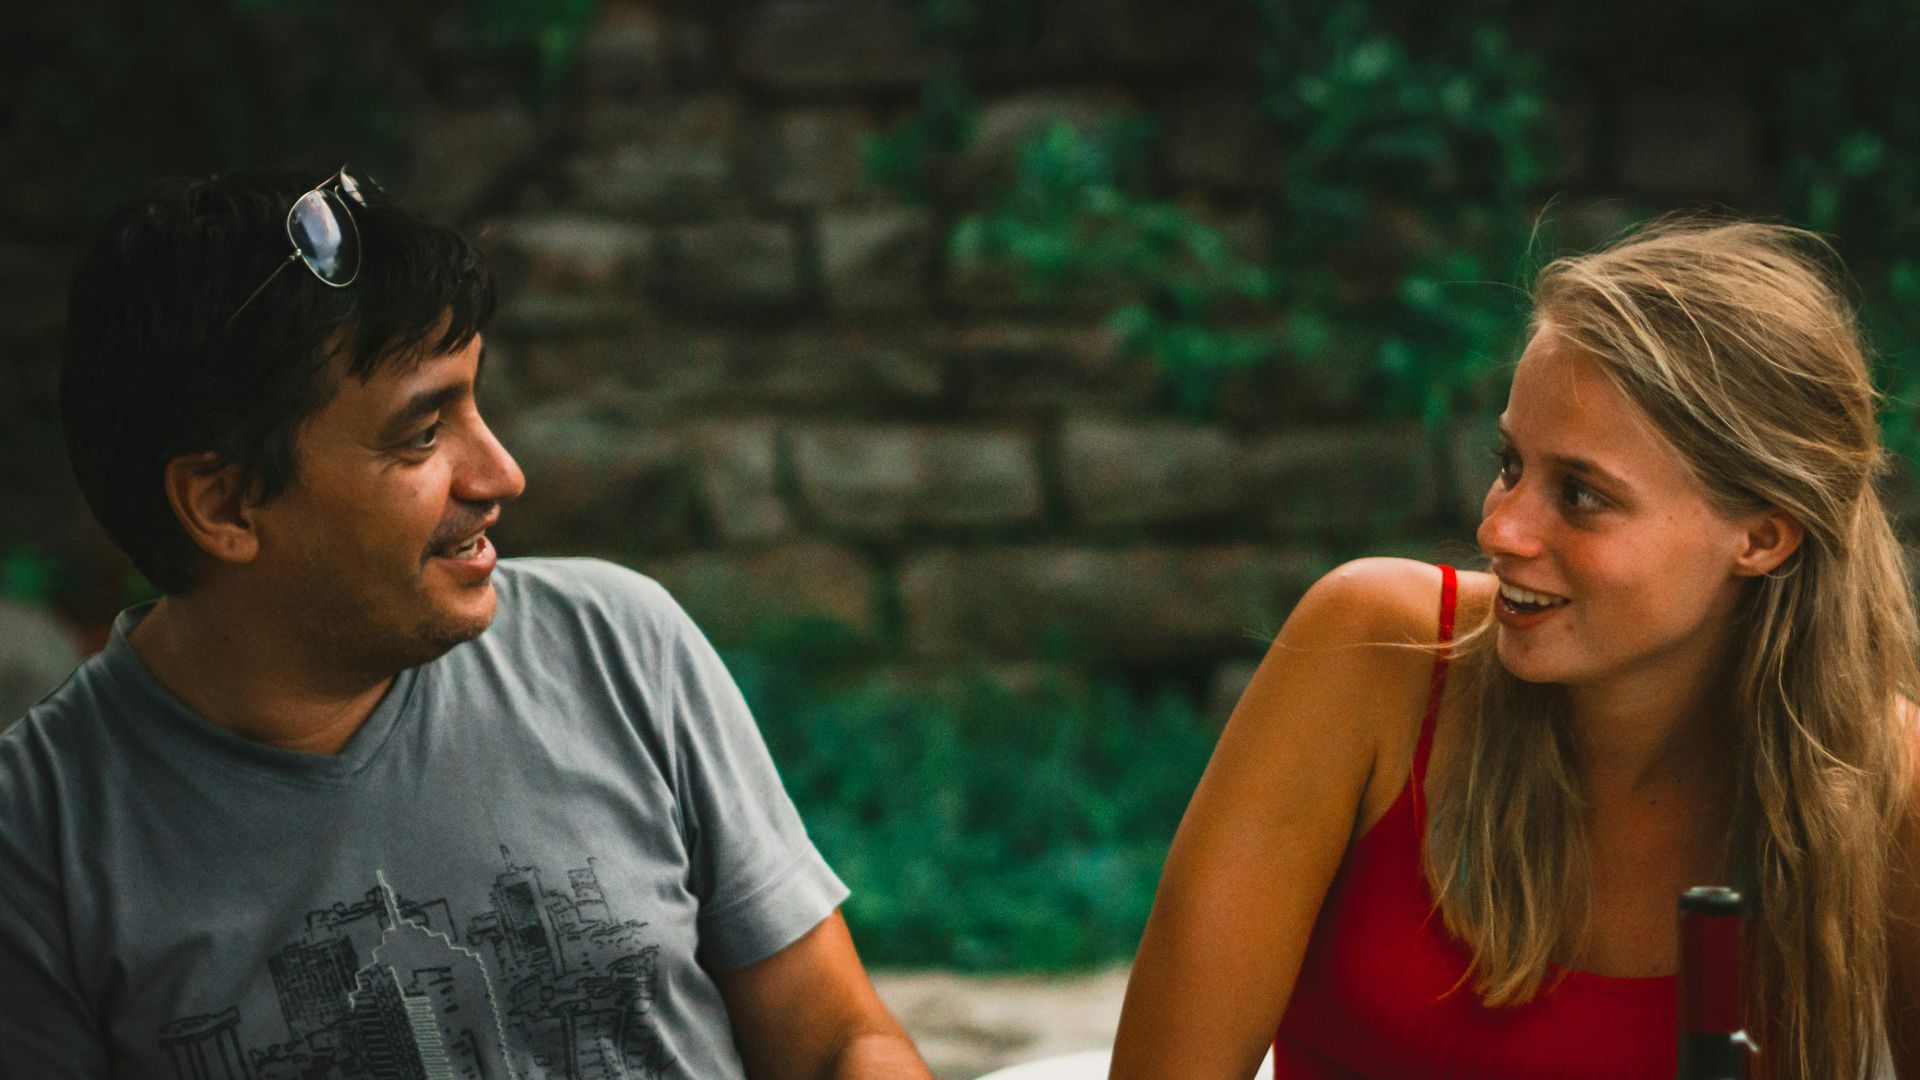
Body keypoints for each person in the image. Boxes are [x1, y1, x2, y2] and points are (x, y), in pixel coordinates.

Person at [0, 168, 931, 1080]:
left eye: (475, 402)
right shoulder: (37, 843)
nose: (501, 474)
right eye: (421, 435)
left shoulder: (616, 645)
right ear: (225, 504)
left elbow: (837, 1041)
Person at [1111, 220, 1920, 1079]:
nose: (1499, 529)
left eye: (1582, 495)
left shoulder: (1880, 785)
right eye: (1509, 465)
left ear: (1761, 537)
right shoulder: (1372, 654)